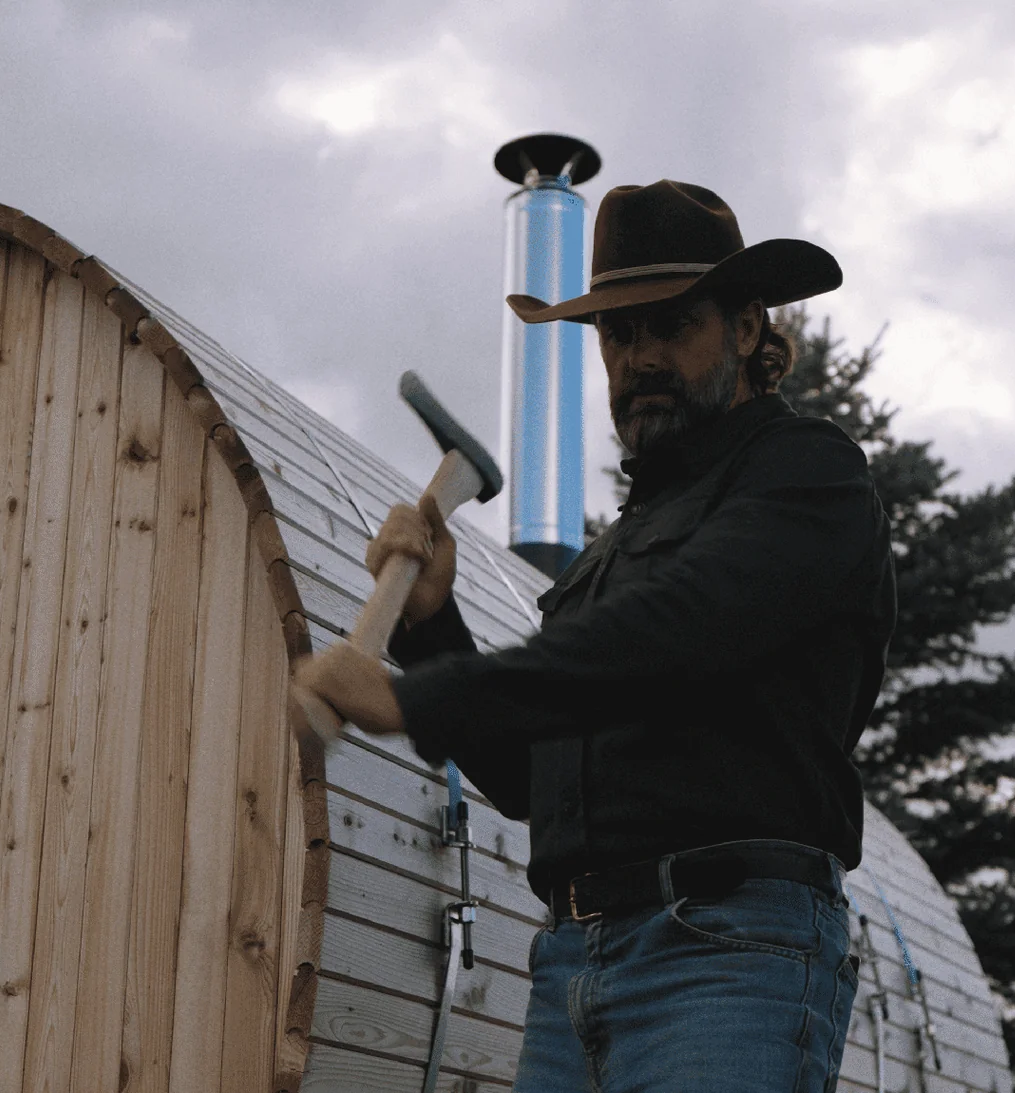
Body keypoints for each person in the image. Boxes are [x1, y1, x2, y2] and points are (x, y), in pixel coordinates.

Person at [294, 179, 895, 1091]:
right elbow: (532, 782)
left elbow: (675, 634)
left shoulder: (807, 475)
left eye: (672, 325)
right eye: (618, 334)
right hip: (572, 964)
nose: (640, 357)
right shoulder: (614, 552)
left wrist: (417, 698)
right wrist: (430, 624)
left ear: (745, 327)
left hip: (730, 952)